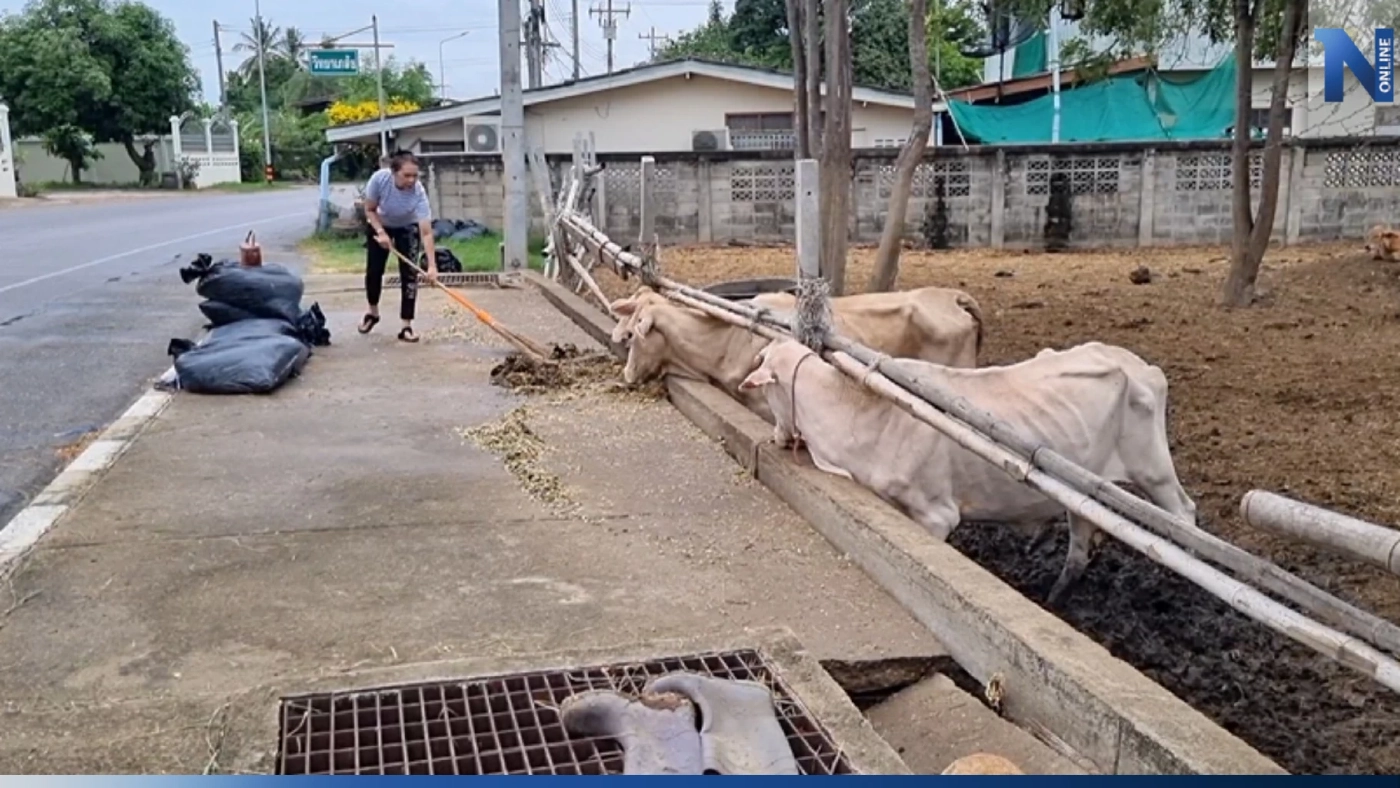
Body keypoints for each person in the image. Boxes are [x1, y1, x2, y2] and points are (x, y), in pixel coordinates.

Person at [359, 150, 438, 342]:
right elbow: (369, 209)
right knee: (374, 271)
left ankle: (406, 325)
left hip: (407, 226)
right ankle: (373, 313)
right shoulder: (379, 180)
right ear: (394, 172)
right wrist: (381, 232)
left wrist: (432, 266)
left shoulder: (418, 192)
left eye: (415, 175)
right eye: (407, 175)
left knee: (410, 275)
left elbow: (426, 232)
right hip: (380, 223)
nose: (412, 180)